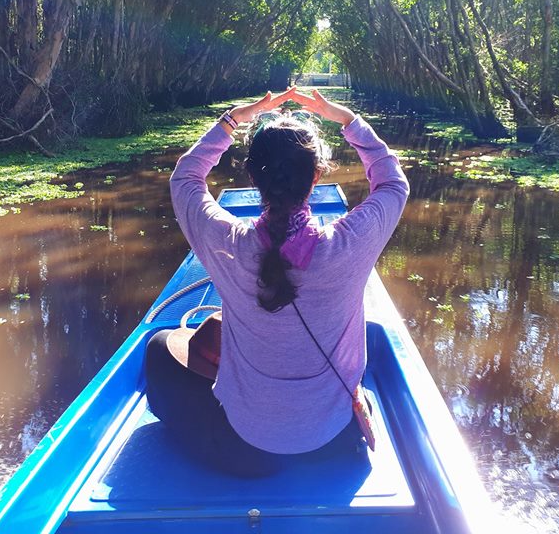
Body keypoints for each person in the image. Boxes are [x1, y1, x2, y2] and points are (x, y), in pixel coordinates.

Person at [144, 88, 409, 476]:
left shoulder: (228, 243)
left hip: (248, 448)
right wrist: (349, 121)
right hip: (333, 437)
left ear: (252, 176)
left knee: (159, 347)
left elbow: (185, 178)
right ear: (316, 175)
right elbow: (393, 184)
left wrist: (233, 119)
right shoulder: (350, 245)